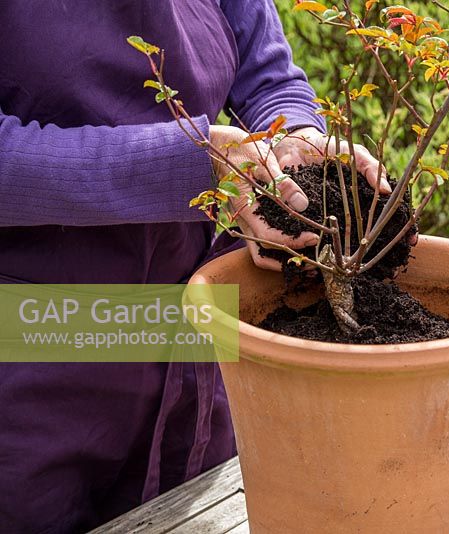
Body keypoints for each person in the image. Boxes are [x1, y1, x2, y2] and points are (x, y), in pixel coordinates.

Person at [0, 1, 384, 531]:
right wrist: (192, 163)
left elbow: (268, 75)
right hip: (33, 344)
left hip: (193, 342)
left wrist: (294, 137)